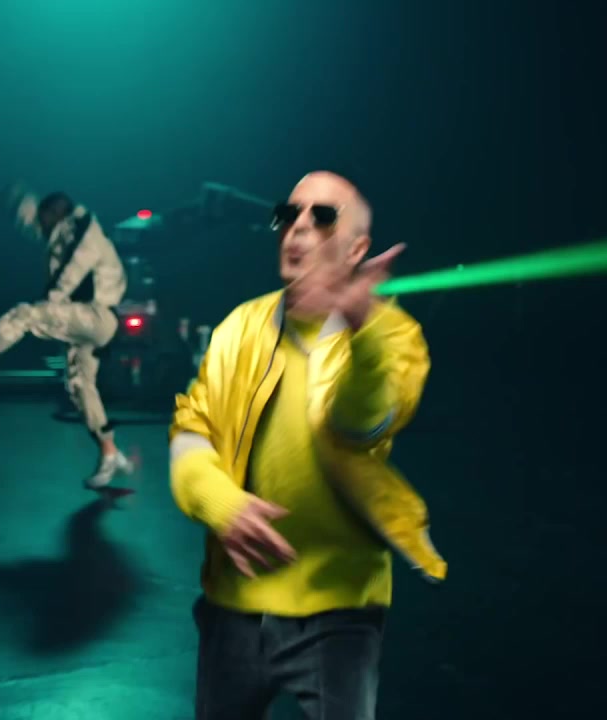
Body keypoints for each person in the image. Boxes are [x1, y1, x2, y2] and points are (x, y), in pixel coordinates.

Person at [169, 171, 447, 719]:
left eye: (321, 217)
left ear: (357, 249)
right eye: (287, 214)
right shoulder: (239, 327)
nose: (296, 228)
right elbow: (191, 430)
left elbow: (363, 423)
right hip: (233, 605)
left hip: (337, 610)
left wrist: (363, 332)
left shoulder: (392, 335)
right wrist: (218, 503)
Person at [0, 184, 135, 490]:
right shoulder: (63, 232)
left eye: (40, 219)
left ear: (55, 214)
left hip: (97, 317)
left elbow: (68, 277)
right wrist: (18, 206)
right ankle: (110, 453)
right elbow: (38, 228)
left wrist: (44, 309)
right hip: (86, 320)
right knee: (80, 387)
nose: (35, 228)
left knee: (25, 315)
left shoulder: (84, 233)